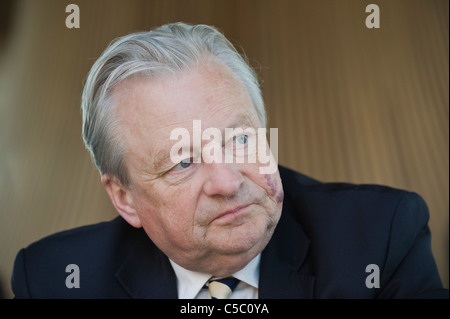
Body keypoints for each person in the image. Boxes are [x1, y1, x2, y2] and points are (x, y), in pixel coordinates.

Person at [11, 22, 448, 299]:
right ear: (124, 197)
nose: (227, 181)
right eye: (183, 162)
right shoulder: (55, 281)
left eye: (240, 139)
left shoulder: (382, 237)